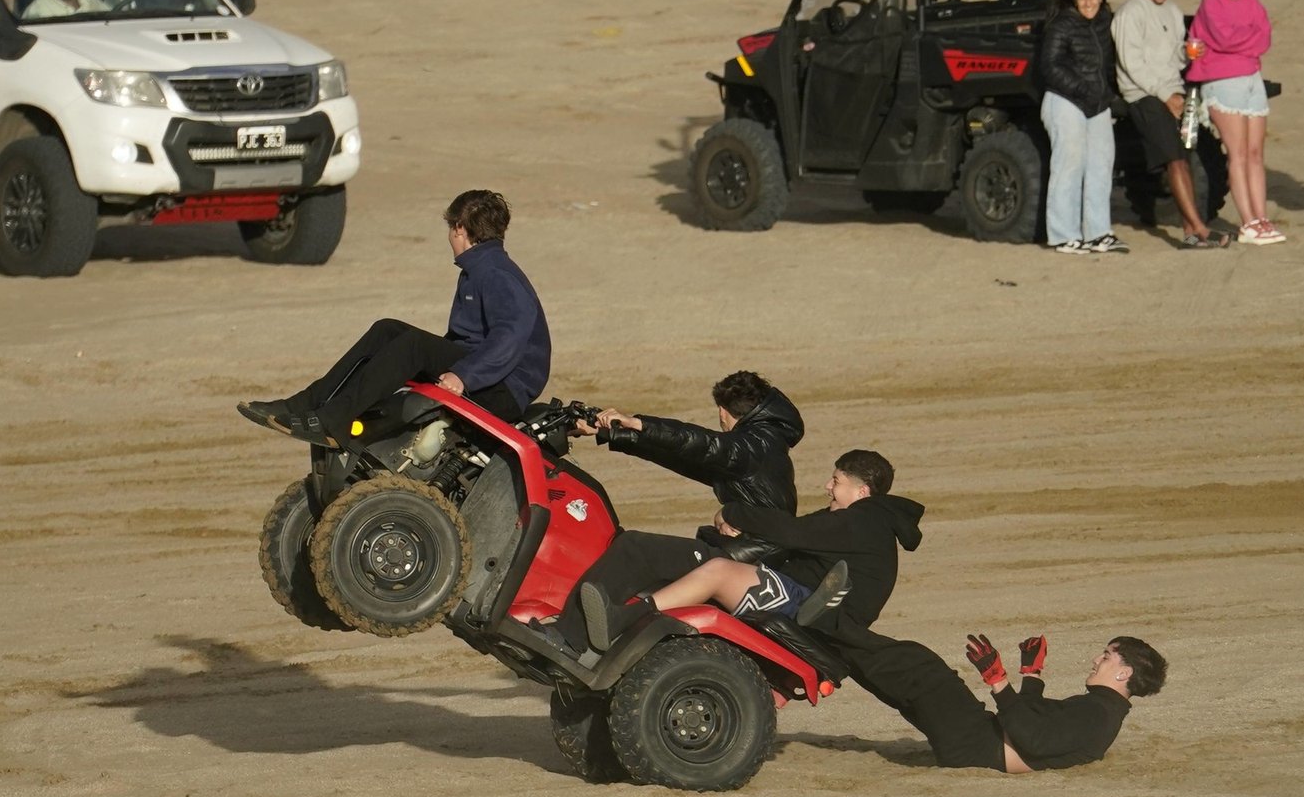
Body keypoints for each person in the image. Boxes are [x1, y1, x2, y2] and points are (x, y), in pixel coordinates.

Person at [237, 189, 550, 445]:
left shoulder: (496, 273)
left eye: (450, 228)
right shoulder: (480, 267)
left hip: (504, 389)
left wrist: (463, 375)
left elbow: (510, 335)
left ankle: (332, 419)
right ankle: (306, 404)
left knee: (413, 346)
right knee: (387, 330)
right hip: (489, 374)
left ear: (459, 228)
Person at [554, 449, 923, 654]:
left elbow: (791, 532)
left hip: (803, 605)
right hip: (785, 586)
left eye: (837, 481)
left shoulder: (861, 523)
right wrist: (736, 531)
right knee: (642, 549)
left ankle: (579, 633)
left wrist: (734, 512)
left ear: (862, 492)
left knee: (642, 549)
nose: (827, 486)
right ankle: (589, 626)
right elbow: (790, 535)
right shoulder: (858, 522)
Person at [845, 631, 1167, 772]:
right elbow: (1036, 723)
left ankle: (835, 636)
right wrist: (1032, 674)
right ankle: (833, 651)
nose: (1097, 659)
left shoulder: (1098, 716)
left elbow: (1033, 739)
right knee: (907, 685)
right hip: (979, 740)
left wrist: (997, 681)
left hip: (977, 745)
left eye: (1107, 655)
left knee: (923, 669)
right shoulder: (1101, 708)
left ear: (1124, 673)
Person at [1113, 0, 1230, 249]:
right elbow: (1132, 64)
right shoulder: (1130, 14)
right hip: (1145, 95)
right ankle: (1199, 229)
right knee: (1175, 161)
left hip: (1175, 93)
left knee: (1186, 158)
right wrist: (1167, 96)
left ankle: (1192, 232)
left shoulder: (1174, 11)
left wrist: (1188, 52)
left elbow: (1175, 54)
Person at [581, 370, 805, 515]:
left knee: (636, 547)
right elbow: (682, 457)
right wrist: (611, 433)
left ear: (722, 412)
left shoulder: (751, 448)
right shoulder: (764, 445)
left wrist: (638, 424)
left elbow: (699, 442)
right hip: (760, 544)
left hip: (758, 549)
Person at [1189, 0, 1281, 245]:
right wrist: (1246, 40)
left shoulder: (1252, 1)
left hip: (1251, 80)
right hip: (1223, 82)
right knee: (1238, 153)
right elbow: (1223, 37)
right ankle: (1248, 222)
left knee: (1255, 154)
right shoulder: (1211, 1)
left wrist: (1241, 42)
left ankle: (1261, 218)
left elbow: (1264, 37)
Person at [1041, 0, 1125, 255]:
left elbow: (1109, 61)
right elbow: (1050, 66)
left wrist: (1109, 93)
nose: (1089, 3)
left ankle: (1098, 233)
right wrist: (1082, 89)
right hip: (1065, 101)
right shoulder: (1061, 24)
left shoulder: (1104, 21)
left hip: (1097, 102)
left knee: (1101, 165)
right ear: (1075, 0)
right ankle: (1063, 235)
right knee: (1069, 165)